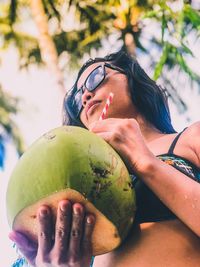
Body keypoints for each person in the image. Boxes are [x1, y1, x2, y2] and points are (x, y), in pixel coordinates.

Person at [9, 50, 200, 267]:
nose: (85, 97)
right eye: (76, 99)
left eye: (95, 78)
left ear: (131, 77)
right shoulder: (83, 184)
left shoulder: (191, 137)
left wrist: (146, 163)